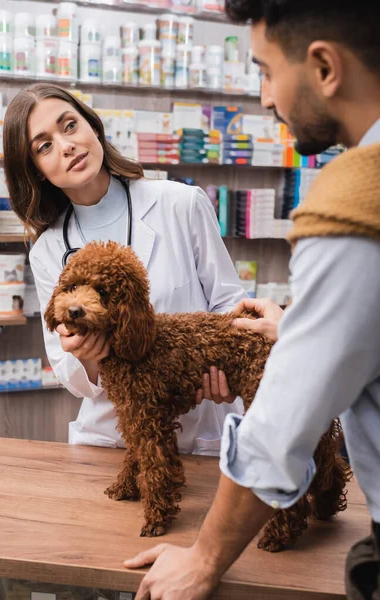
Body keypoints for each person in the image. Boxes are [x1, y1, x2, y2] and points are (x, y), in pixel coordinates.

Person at [124, 1, 380, 598]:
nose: (266, 98)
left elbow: (282, 424)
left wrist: (205, 557)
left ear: (324, 66)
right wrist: (298, 330)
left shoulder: (357, 196)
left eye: (266, 71)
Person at [3, 82, 248, 456]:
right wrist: (86, 355)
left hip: (199, 420)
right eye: (44, 145)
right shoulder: (49, 249)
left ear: (93, 127)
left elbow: (229, 302)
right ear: (35, 171)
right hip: (111, 440)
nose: (66, 145)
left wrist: (225, 366)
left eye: (69, 126)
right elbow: (68, 372)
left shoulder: (180, 204)